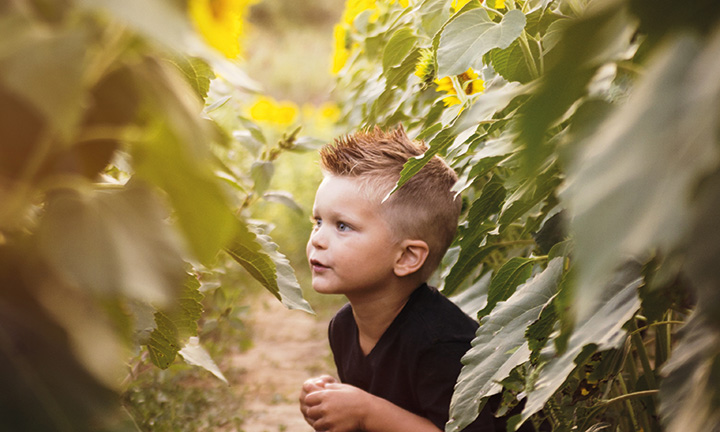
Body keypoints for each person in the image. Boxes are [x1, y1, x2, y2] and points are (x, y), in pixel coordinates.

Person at [299, 126, 504, 432]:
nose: (318, 239)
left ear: (407, 257)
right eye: (318, 221)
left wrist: (365, 411)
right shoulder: (344, 327)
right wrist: (334, 402)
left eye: (342, 226)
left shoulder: (442, 344)